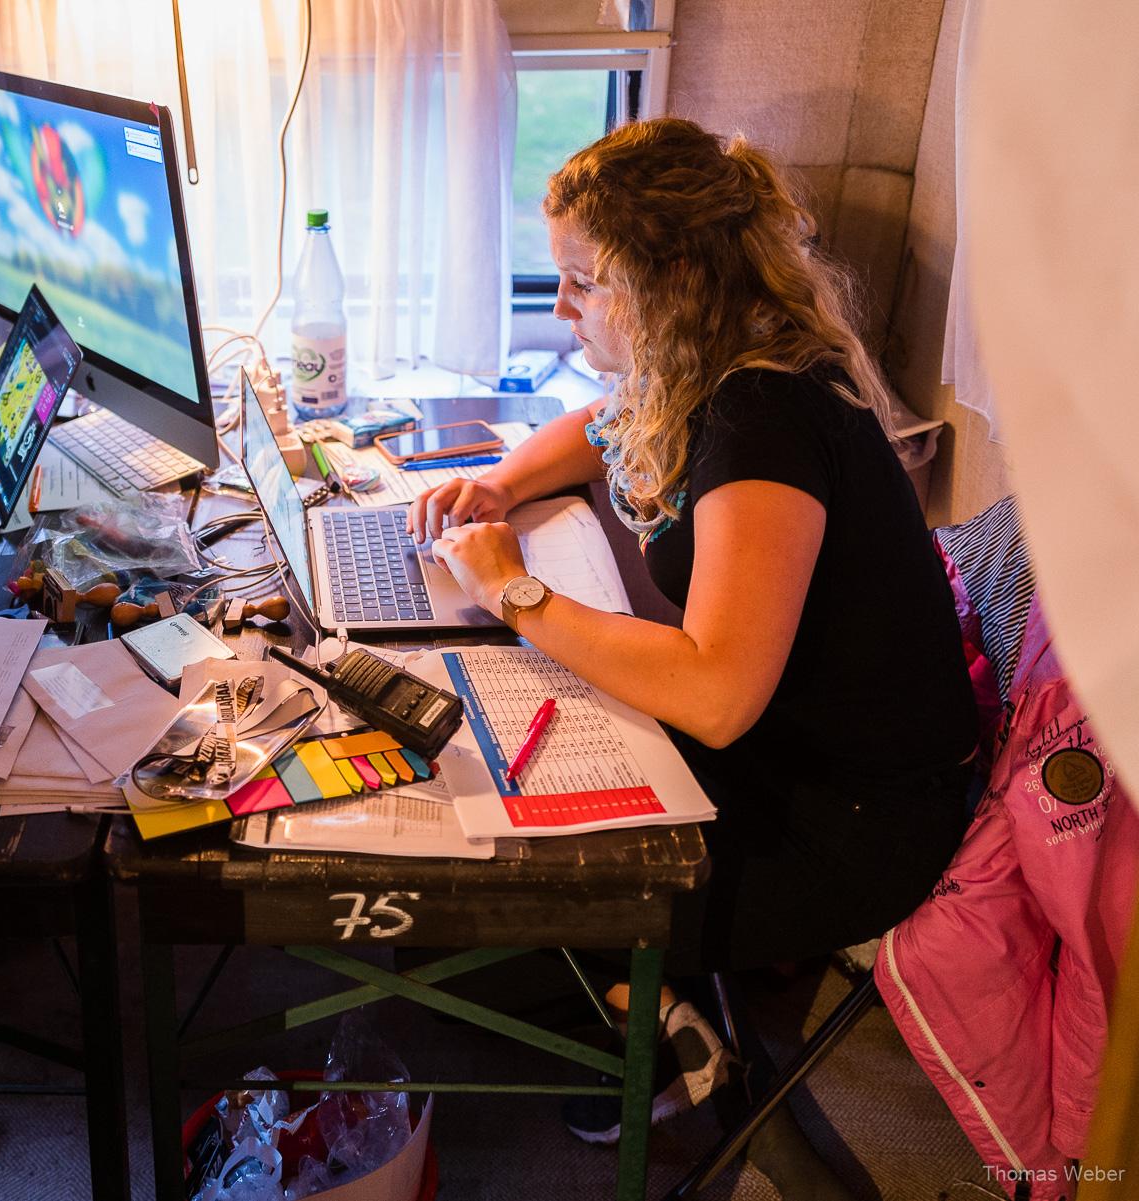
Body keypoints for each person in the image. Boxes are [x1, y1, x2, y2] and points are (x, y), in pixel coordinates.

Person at [410, 118, 977, 1190]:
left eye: (584, 283)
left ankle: (669, 1025)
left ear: (668, 283)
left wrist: (514, 591)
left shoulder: (763, 414)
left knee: (469, 906)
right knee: (488, 783)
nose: (562, 308)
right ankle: (649, 992)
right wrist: (499, 486)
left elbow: (716, 694)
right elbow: (601, 421)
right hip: (788, 751)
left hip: (846, 824)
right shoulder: (711, 352)